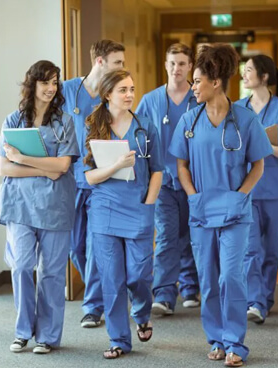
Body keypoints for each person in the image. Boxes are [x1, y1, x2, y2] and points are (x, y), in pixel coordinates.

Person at [169, 44, 273, 367]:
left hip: (234, 212)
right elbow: (181, 165)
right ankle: (215, 339)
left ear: (215, 82)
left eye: (197, 81)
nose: (192, 85)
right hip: (201, 211)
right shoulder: (189, 119)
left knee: (231, 276)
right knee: (209, 279)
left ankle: (235, 344)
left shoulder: (245, 119)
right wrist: (191, 196)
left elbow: (258, 165)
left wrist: (240, 196)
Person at [0, 60, 79, 354]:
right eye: (45, 83)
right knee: (20, 267)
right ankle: (22, 331)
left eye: (55, 83)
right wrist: (42, 168)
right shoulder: (12, 121)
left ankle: (47, 336)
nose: (51, 89)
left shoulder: (64, 122)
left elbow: (63, 166)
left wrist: (22, 158)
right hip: (19, 206)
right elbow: (4, 168)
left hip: (55, 206)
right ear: (32, 85)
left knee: (52, 273)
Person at [83, 69, 164, 359]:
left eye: (132, 89)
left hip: (139, 208)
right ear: (107, 94)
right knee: (112, 279)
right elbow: (90, 177)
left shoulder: (146, 128)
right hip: (105, 210)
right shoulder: (92, 126)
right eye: (122, 90)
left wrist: (148, 204)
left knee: (139, 275)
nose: (130, 94)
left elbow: (157, 171)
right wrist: (116, 165)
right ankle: (119, 339)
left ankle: (142, 313)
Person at [61, 39, 126, 328]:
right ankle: (105, 289)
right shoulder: (67, 90)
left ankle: (93, 306)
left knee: (97, 244)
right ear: (100, 61)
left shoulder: (112, 94)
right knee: (76, 247)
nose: (122, 68)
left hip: (102, 181)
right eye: (118, 62)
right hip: (71, 180)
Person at [237, 55, 278, 324]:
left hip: (275, 192)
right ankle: (255, 302)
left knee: (271, 250)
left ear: (264, 77)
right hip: (248, 189)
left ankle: (265, 298)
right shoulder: (239, 109)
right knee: (250, 248)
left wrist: (262, 145)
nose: (244, 75)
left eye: (249, 70)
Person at [135, 43, 200, 316]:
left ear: (190, 67)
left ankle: (190, 286)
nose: (177, 69)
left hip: (194, 180)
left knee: (191, 234)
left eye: (182, 64)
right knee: (166, 236)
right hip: (162, 181)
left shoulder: (199, 99)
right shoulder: (150, 100)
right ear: (165, 65)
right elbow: (136, 134)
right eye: (172, 63)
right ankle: (163, 293)